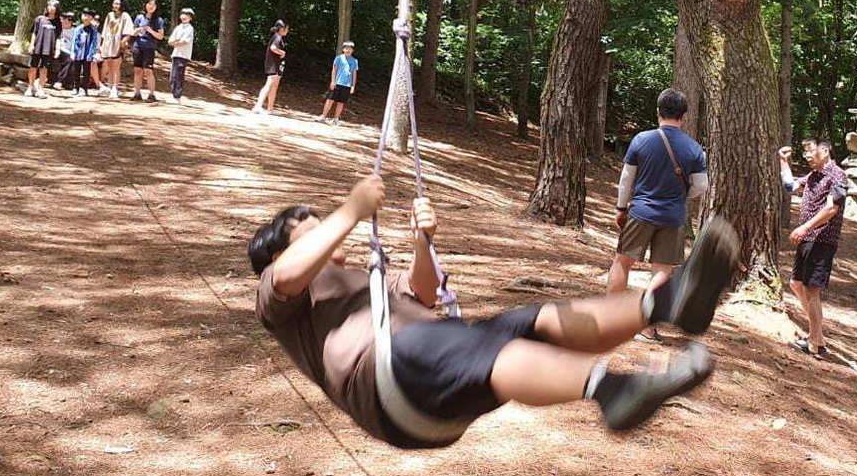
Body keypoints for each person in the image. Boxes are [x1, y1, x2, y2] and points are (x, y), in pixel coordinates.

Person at [249, 174, 740, 447]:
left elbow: (421, 291)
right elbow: (290, 274)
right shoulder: (282, 297)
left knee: (532, 320)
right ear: (278, 251)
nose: (324, 226)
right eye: (308, 226)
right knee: (476, 344)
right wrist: (351, 210)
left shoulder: (369, 281)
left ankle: (667, 302)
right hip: (388, 383)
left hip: (428, 371)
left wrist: (424, 241)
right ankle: (613, 391)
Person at [608, 88, 708, 343]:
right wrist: (681, 197)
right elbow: (701, 186)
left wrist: (621, 208)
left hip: (640, 211)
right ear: (684, 116)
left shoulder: (641, 140)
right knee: (662, 271)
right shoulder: (694, 148)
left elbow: (626, 178)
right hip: (674, 215)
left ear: (657, 112)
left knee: (622, 262)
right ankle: (646, 325)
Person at [778, 139, 848, 359]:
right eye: (805, 152)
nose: (807, 156)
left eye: (810, 152)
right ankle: (817, 337)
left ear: (825, 151)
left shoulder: (837, 176)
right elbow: (790, 186)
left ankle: (815, 343)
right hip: (808, 239)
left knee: (811, 290)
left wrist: (805, 227)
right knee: (796, 284)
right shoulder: (813, 176)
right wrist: (783, 161)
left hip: (822, 240)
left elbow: (831, 209)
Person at [129, 0, 165, 102]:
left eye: (153, 5)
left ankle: (151, 95)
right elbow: (132, 32)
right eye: (149, 4)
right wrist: (138, 30)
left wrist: (150, 31)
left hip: (149, 47)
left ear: (156, 7)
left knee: (148, 71)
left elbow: (161, 36)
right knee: (137, 70)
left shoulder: (158, 20)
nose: (150, 6)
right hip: (138, 46)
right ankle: (137, 93)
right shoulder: (139, 17)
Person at [26, 0, 62, 98]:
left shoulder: (58, 22)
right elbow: (34, 33)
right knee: (33, 67)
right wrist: (31, 45)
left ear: (57, 8)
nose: (51, 8)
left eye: (54, 6)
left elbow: (58, 36)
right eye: (49, 6)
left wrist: (57, 49)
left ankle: (41, 88)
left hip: (49, 49)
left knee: (44, 69)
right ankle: (30, 86)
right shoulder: (39, 19)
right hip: (37, 47)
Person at [98, 0, 132, 99]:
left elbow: (129, 31)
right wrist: (101, 44)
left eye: (118, 4)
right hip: (108, 43)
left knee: (116, 66)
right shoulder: (109, 15)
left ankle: (115, 88)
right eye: (114, 3)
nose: (115, 6)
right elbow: (104, 30)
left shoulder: (125, 16)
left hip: (118, 43)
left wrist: (123, 42)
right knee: (109, 65)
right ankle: (109, 86)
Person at [252, 20, 288, 115]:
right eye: (286, 29)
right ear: (282, 29)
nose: (287, 31)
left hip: (277, 66)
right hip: (273, 65)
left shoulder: (278, 37)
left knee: (274, 86)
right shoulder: (277, 37)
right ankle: (258, 106)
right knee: (268, 85)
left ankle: (270, 108)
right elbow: (273, 48)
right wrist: (282, 52)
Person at [318, 41, 359, 125]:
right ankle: (323, 116)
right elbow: (334, 70)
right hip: (337, 83)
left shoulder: (354, 61)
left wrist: (353, 86)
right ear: (343, 49)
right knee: (330, 100)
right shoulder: (339, 58)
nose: (348, 50)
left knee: (341, 102)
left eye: (350, 49)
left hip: (347, 85)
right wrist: (333, 81)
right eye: (346, 48)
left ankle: (336, 119)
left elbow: (354, 74)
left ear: (352, 50)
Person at [66, 9, 100, 97]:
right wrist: (73, 52)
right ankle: (76, 87)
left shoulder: (93, 29)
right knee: (76, 71)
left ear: (92, 18)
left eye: (88, 16)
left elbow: (94, 42)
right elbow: (74, 41)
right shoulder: (78, 28)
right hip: (78, 53)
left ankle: (85, 89)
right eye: (84, 15)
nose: (86, 18)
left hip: (87, 54)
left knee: (86, 72)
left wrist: (91, 53)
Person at [167, 8, 196, 103]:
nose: (184, 17)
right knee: (172, 76)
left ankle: (177, 96)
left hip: (183, 55)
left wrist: (176, 42)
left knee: (178, 75)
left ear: (190, 18)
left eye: (187, 15)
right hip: (175, 54)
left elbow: (184, 41)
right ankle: (174, 94)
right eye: (183, 14)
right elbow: (170, 41)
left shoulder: (190, 28)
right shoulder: (178, 27)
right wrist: (176, 42)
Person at [51, 10, 76, 90]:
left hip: (70, 51)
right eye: (63, 19)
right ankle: (59, 81)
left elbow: (76, 44)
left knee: (70, 59)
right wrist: (57, 50)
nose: (65, 21)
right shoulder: (58, 29)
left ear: (71, 21)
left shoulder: (75, 31)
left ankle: (64, 82)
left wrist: (73, 52)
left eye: (68, 20)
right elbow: (57, 40)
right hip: (59, 49)